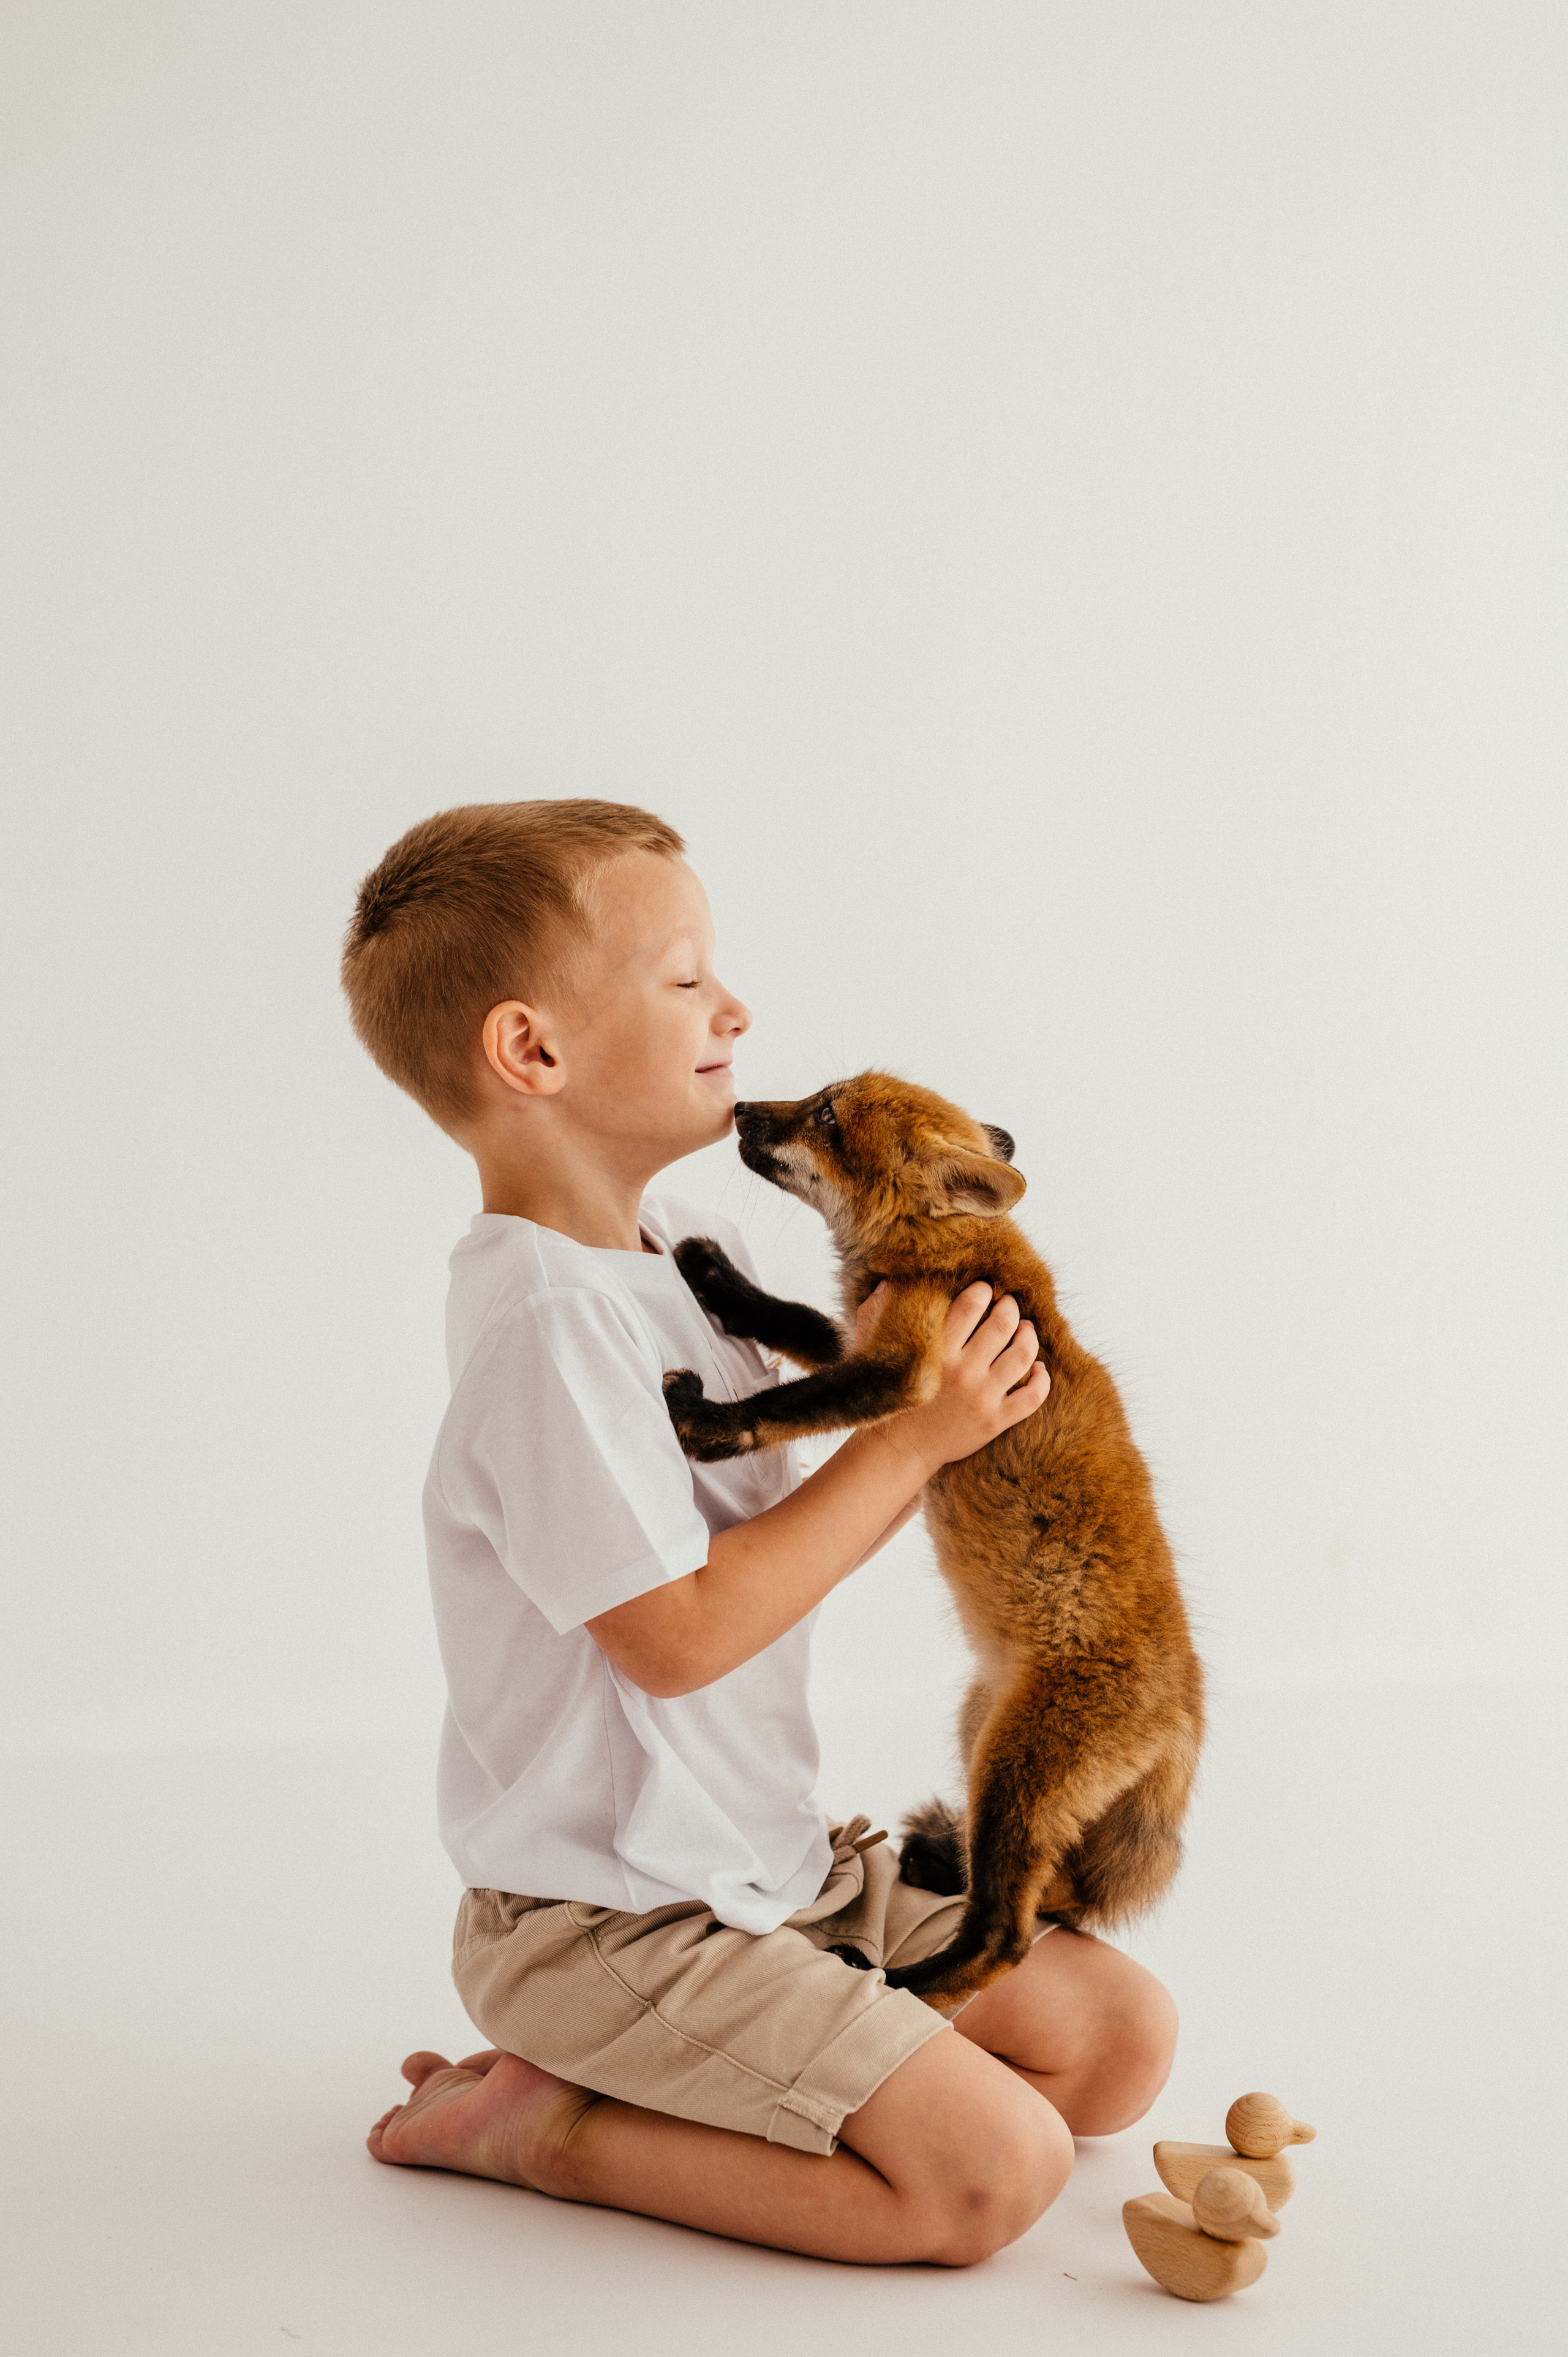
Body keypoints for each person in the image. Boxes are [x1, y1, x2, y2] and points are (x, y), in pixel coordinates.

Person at [341, 799, 1177, 2267]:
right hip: (610, 1922)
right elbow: (675, 1639)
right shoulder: (547, 1325)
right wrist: (914, 1437)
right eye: (684, 979)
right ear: (531, 1051)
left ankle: (784, 2052)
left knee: (1116, 2043)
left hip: (770, 1876)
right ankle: (548, 2128)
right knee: (991, 2175)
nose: (733, 1007)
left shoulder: (656, 1265)